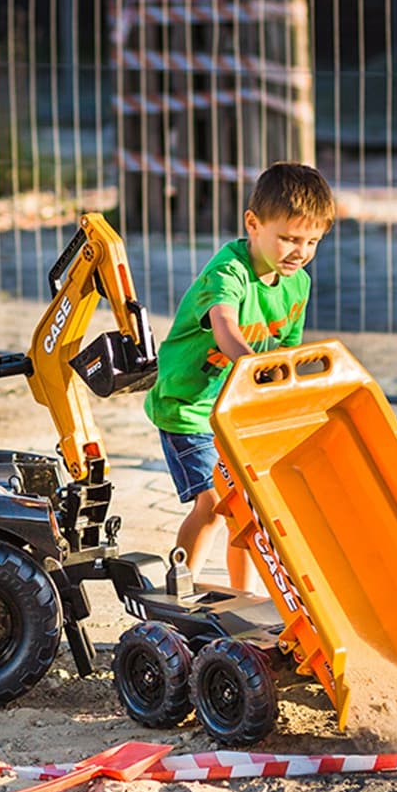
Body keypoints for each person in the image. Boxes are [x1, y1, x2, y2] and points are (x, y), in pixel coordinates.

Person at [144, 161, 336, 589]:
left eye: (311, 241)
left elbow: (285, 350)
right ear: (253, 223)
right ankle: (181, 591)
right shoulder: (228, 271)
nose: (299, 251)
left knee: (246, 509)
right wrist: (252, 367)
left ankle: (240, 595)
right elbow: (225, 327)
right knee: (212, 505)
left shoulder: (297, 285)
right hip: (188, 407)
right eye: (287, 238)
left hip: (236, 411)